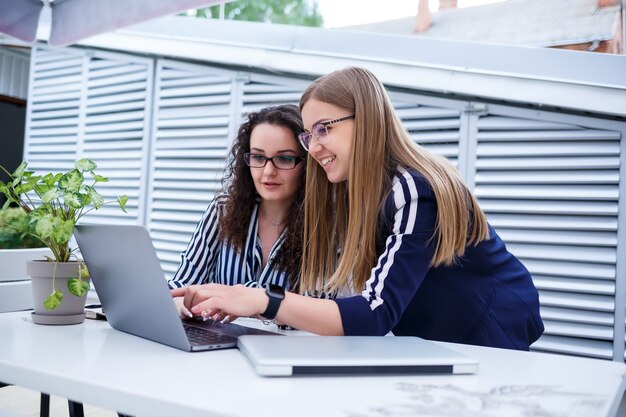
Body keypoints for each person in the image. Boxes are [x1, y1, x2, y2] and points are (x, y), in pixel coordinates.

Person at [172, 67, 544, 350]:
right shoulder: (354, 195)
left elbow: (375, 312)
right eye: (308, 134)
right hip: (430, 338)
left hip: (488, 328)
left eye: (324, 129)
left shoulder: (413, 190)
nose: (313, 147)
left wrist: (263, 300)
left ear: (365, 119)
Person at [168, 104, 306, 318]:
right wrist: (179, 304)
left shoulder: (324, 227)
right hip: (219, 346)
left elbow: (321, 307)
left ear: (307, 165)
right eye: (258, 157)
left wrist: (255, 304)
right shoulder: (223, 210)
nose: (268, 171)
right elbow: (181, 285)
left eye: (284, 158)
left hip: (286, 349)